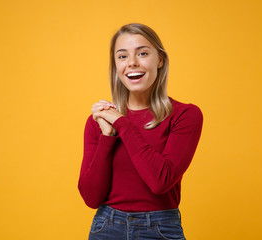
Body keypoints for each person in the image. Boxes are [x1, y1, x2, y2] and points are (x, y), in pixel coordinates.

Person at [78, 23, 203, 240]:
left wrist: (122, 124)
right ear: (115, 65)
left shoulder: (185, 115)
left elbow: (160, 181)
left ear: (160, 60)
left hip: (160, 229)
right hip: (106, 228)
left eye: (143, 53)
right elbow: (91, 197)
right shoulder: (98, 122)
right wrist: (107, 136)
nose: (132, 63)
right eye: (122, 56)